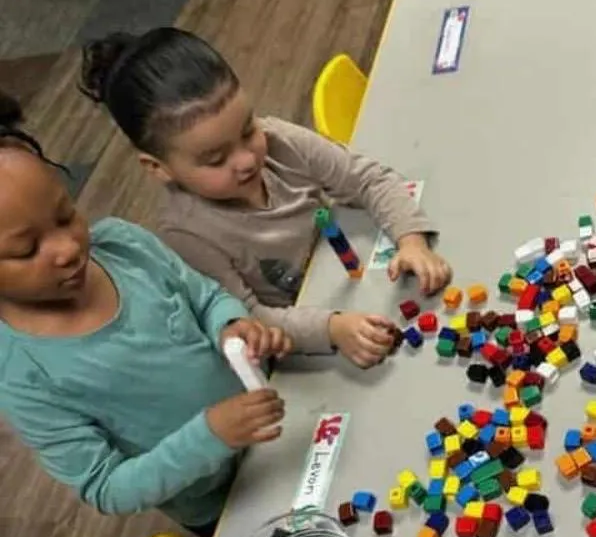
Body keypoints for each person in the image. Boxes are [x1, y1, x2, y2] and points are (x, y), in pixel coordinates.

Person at [79, 28, 452, 369]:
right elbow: (249, 318)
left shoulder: (277, 139)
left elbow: (368, 179)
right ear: (158, 168)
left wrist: (411, 240)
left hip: (359, 281)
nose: (246, 160)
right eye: (216, 159)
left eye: (247, 130)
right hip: (306, 343)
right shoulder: (185, 234)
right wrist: (332, 329)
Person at [0, 127, 290, 536]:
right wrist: (210, 436)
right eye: (26, 250)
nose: (67, 248)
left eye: (65, 216)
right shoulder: (21, 373)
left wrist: (230, 326)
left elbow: (205, 297)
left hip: (282, 417)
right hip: (224, 501)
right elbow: (107, 487)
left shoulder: (123, 245)